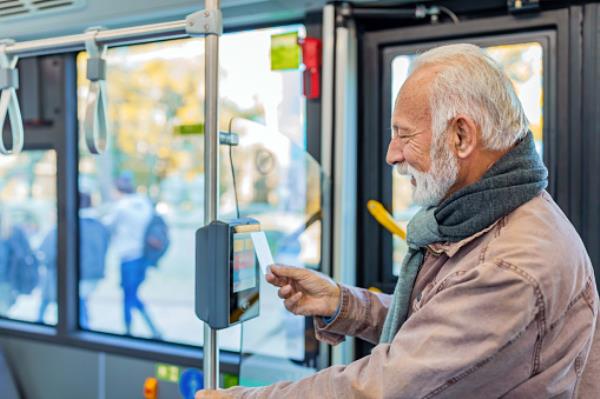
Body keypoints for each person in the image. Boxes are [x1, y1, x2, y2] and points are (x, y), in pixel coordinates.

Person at [196, 44, 599, 398]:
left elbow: (388, 387)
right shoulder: (491, 217)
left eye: (404, 135)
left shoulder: (512, 264)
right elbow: (442, 328)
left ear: (461, 136)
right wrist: (343, 304)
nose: (392, 154)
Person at [38, 192, 110, 327]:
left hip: (73, 276)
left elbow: (47, 253)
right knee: (80, 306)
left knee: (74, 309)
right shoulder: (100, 226)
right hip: (93, 275)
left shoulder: (67, 225)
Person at [105, 171, 161, 338]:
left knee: (128, 296)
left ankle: (129, 331)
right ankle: (153, 329)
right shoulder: (144, 203)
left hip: (128, 258)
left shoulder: (121, 207)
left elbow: (107, 226)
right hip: (143, 257)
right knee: (132, 294)